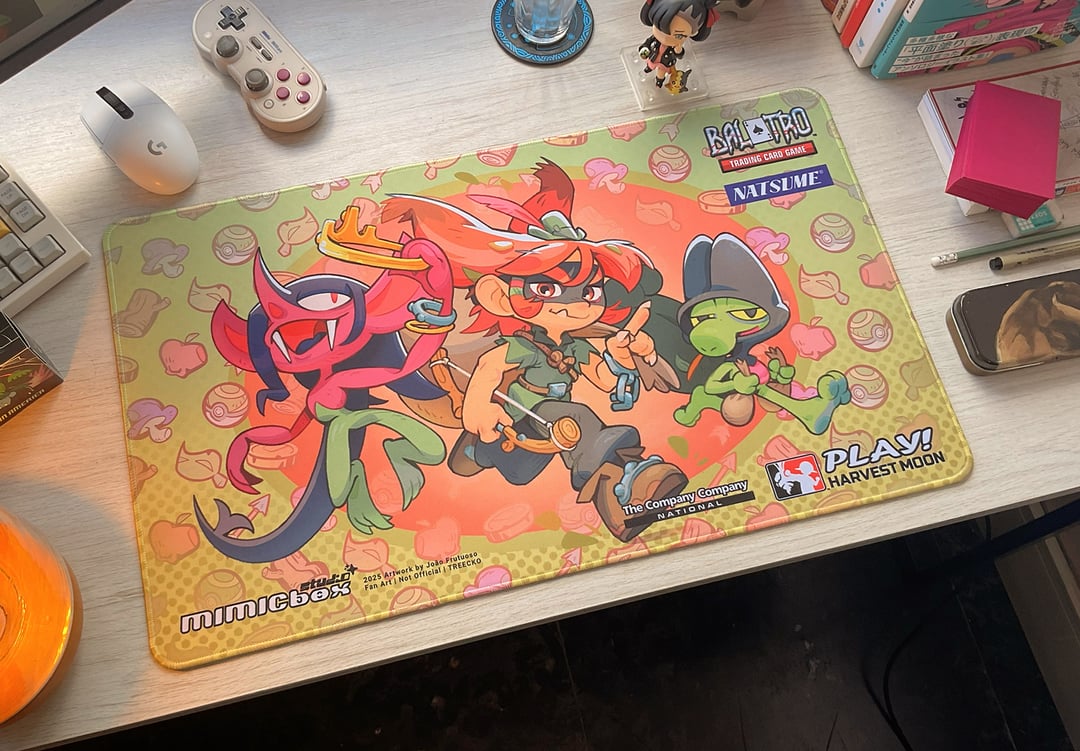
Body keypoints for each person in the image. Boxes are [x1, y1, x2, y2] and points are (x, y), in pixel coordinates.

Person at [638, 0, 717, 90]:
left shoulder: (675, 46)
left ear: (692, 33)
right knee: (650, 64)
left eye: (679, 36)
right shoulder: (655, 39)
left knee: (661, 72)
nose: (665, 38)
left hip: (664, 62)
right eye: (659, 28)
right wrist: (644, 48)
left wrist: (678, 51)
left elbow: (680, 56)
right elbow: (647, 42)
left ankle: (659, 81)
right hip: (653, 56)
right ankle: (648, 68)